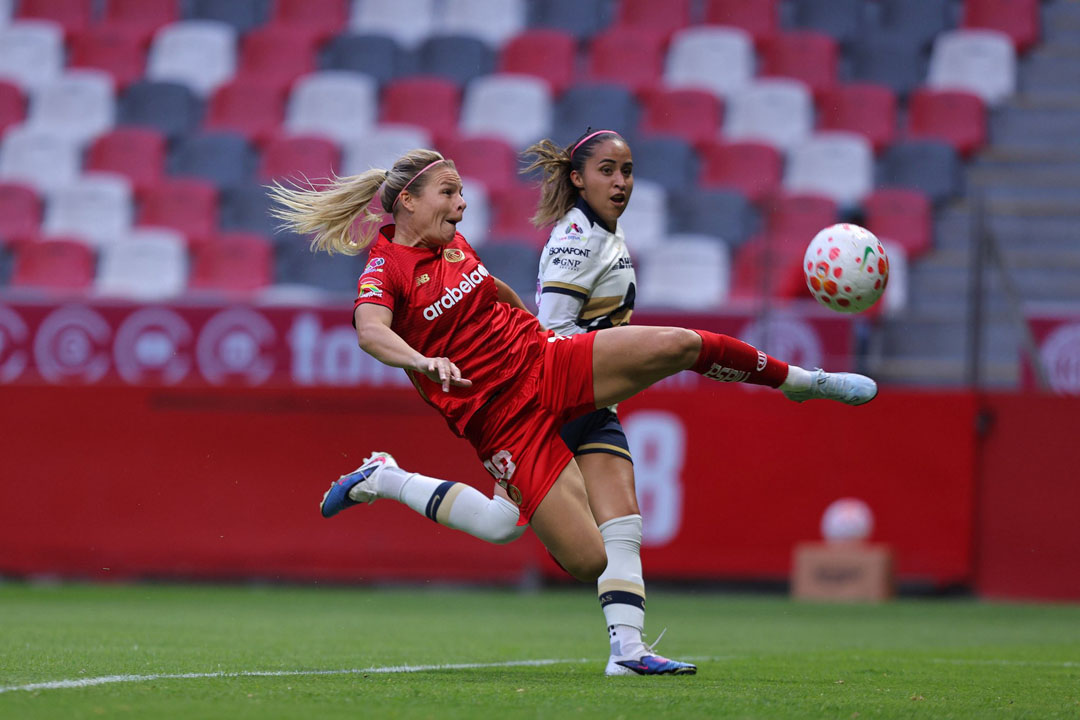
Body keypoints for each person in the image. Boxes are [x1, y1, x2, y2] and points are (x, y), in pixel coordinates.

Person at [268, 148, 877, 676]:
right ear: (406, 202)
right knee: (588, 559)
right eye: (449, 193)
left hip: (544, 361)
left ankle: (800, 381)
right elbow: (371, 332)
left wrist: (522, 319)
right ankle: (387, 478)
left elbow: (491, 290)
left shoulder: (451, 240)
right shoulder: (385, 269)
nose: (461, 205)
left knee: (679, 345)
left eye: (460, 193)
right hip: (500, 422)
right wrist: (424, 364)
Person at [523, 129, 694, 675]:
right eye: (606, 171)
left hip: (590, 402)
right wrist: (616, 366)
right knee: (502, 521)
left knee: (623, 521)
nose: (620, 182)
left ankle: (627, 650)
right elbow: (552, 331)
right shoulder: (578, 237)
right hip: (554, 400)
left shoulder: (605, 234)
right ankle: (387, 478)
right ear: (578, 178)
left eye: (627, 171)